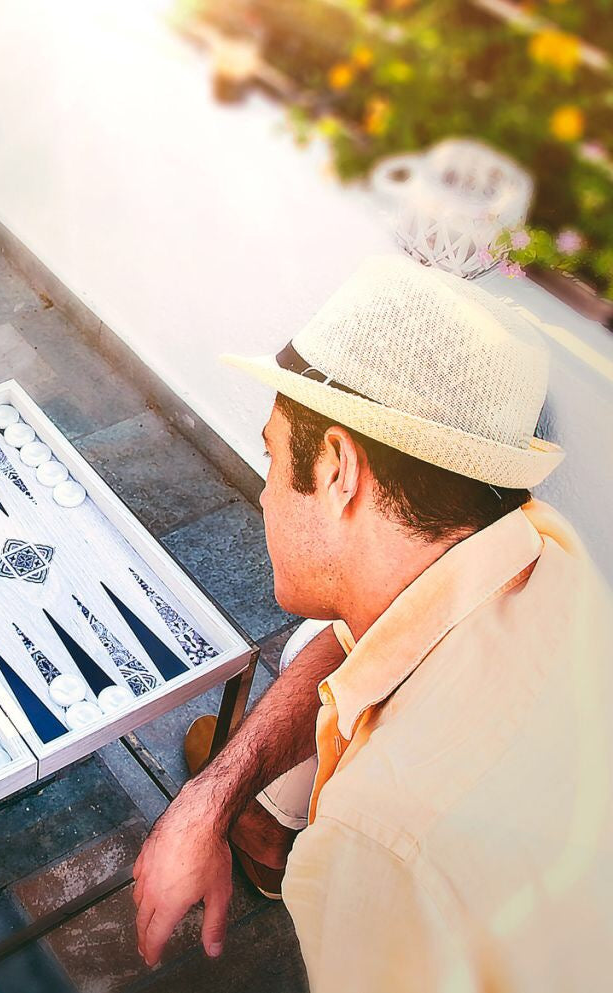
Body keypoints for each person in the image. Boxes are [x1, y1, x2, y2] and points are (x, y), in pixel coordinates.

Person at [132, 255, 613, 991]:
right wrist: (213, 795)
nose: (263, 497)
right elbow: (359, 641)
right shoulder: (540, 547)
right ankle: (261, 830)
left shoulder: (375, 840)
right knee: (309, 645)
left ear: (337, 469)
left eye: (270, 455)